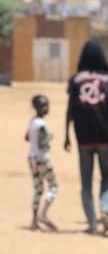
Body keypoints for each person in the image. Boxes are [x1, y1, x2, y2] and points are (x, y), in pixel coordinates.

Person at [65, 40, 108, 234]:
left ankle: (91, 223)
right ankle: (105, 210)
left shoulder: (76, 80)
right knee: (106, 177)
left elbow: (70, 109)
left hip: (83, 138)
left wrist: (66, 135)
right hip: (105, 136)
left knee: (86, 182)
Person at [25, 95, 58, 231]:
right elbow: (43, 144)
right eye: (44, 106)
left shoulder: (33, 121)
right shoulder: (42, 124)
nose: (46, 108)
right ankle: (43, 214)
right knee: (53, 186)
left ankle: (34, 221)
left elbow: (27, 137)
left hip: (31, 158)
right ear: (38, 108)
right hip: (42, 158)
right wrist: (49, 138)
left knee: (38, 189)